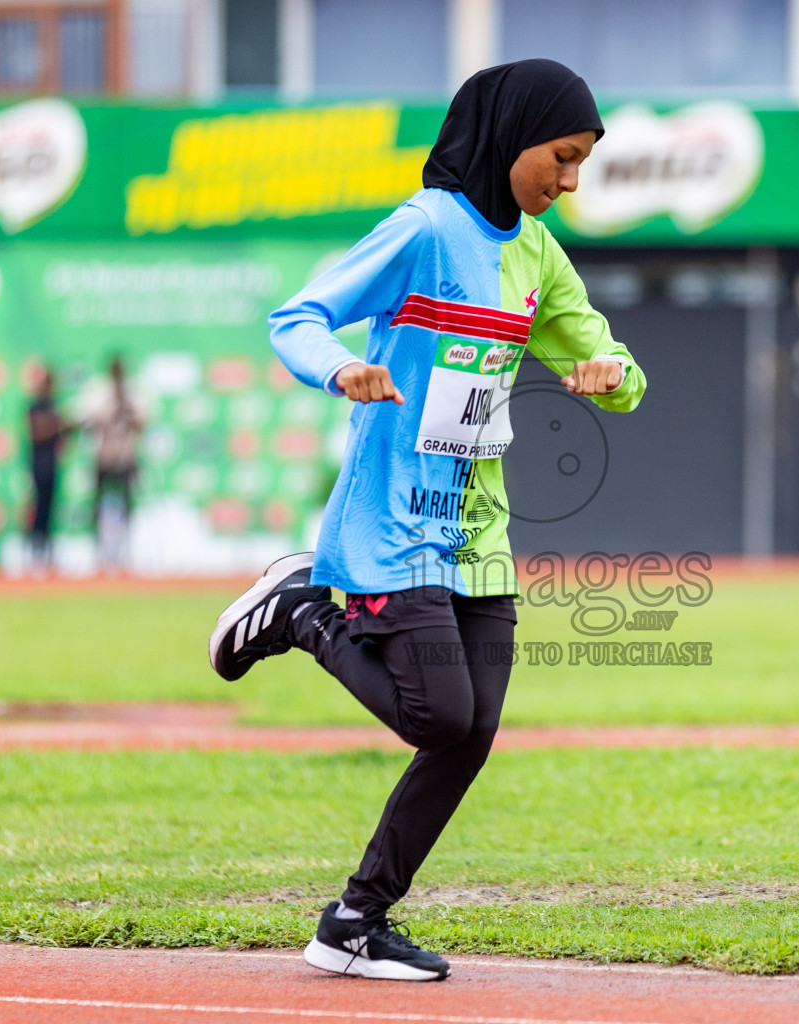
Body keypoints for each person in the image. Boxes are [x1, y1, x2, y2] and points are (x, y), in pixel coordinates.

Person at [206, 59, 646, 982]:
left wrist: (611, 374)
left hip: (478, 527)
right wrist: (339, 369)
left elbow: (606, 352)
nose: (568, 182)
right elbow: (300, 316)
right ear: (510, 135)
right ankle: (304, 611)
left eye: (581, 166)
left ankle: (353, 922)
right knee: (437, 715)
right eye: (560, 159)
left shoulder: (537, 252)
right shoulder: (426, 228)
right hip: (394, 519)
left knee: (473, 732)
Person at [82, 357, 145, 572]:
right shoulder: (99, 391)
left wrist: (127, 408)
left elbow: (142, 423)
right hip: (104, 456)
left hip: (126, 456)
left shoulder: (134, 392)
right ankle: (99, 552)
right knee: (97, 503)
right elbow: (92, 420)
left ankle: (127, 550)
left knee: (128, 503)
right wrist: (112, 405)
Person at [25, 368, 73, 572]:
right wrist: (59, 426)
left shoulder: (54, 407)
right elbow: (38, 432)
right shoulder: (35, 407)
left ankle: (47, 547)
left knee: (50, 505)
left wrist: (65, 429)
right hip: (38, 463)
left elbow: (62, 438)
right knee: (39, 505)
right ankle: (35, 546)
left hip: (52, 463)